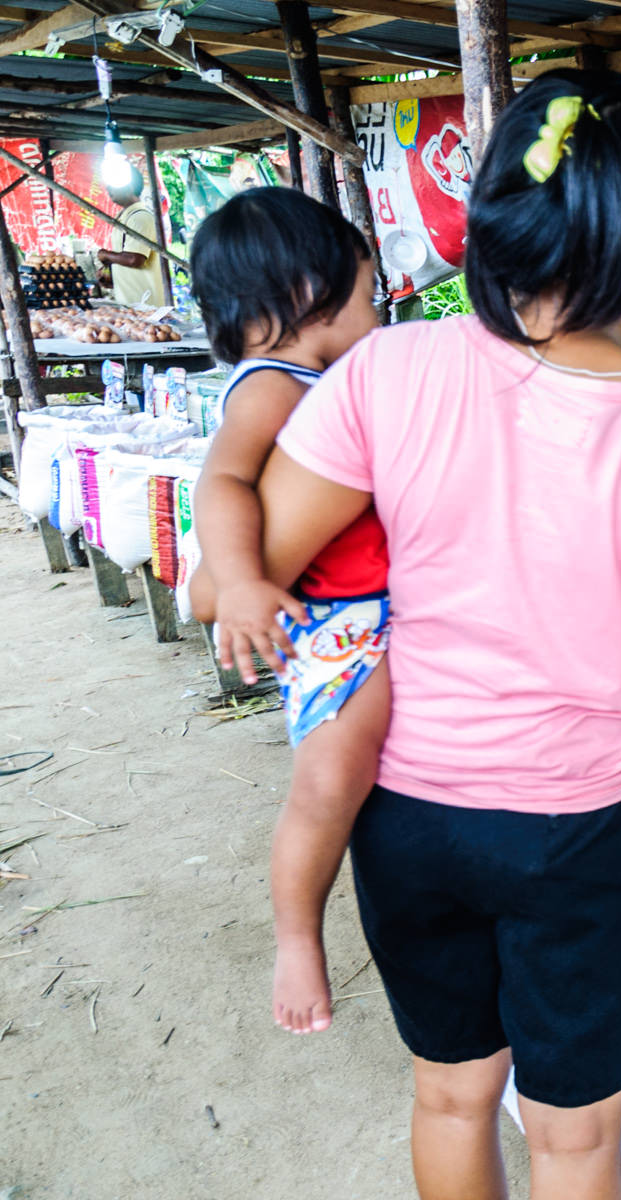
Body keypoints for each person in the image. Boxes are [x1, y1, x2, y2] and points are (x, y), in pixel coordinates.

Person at [258, 69, 621, 1200]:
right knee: (572, 1133)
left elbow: (270, 547)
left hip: (410, 815)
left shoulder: (388, 371)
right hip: (583, 833)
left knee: (450, 1097)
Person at [185, 186, 384, 1039]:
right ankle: (298, 937)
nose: (380, 307)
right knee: (325, 786)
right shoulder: (273, 385)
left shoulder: (330, 379)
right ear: (309, 291)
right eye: (369, 292)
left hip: (374, 610)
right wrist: (235, 582)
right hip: (340, 623)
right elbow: (221, 483)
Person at [97, 171, 168, 308]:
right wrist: (112, 274)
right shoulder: (126, 217)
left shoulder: (140, 217)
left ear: (128, 187)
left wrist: (105, 255)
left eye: (113, 185)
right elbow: (126, 258)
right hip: (130, 302)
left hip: (145, 305)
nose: (109, 189)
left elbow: (135, 259)